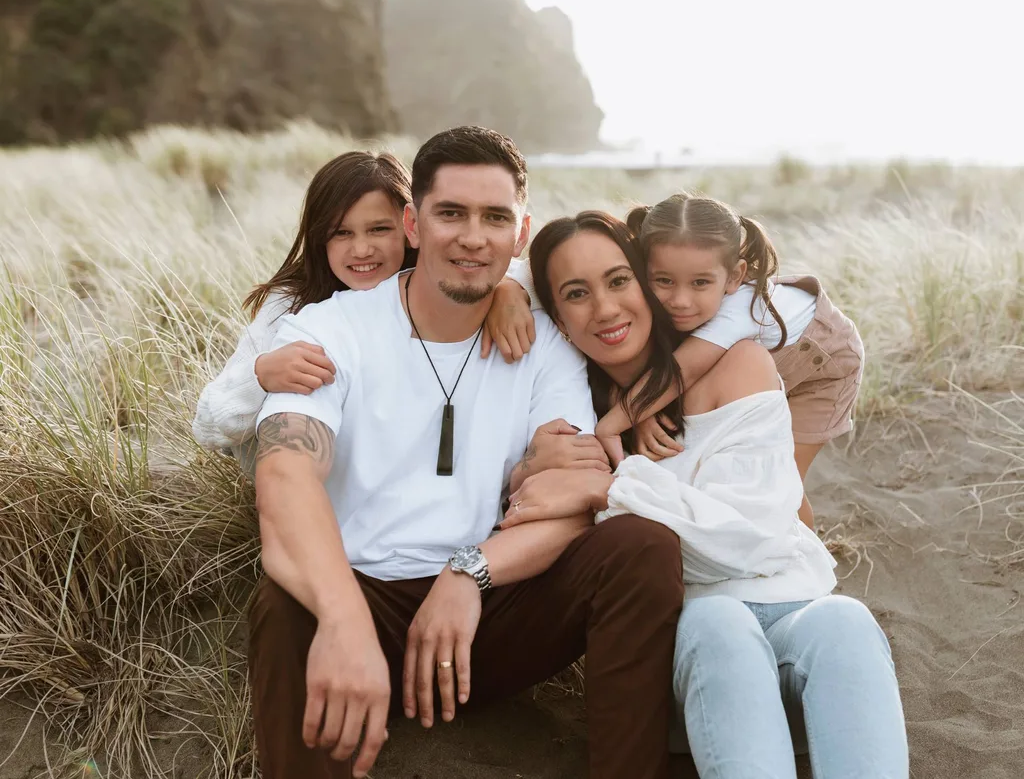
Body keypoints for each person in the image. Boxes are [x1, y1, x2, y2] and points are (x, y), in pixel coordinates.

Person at [247, 128, 684, 779]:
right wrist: (342, 617)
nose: (473, 236)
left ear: (521, 231)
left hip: (491, 614)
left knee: (642, 546)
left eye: (495, 217)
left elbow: (568, 496)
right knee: (282, 608)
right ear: (413, 222)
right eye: (451, 213)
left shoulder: (544, 349)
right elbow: (284, 475)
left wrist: (469, 572)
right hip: (363, 597)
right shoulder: (332, 329)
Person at [502, 210, 908, 779]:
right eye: (576, 294)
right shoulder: (571, 414)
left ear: (646, 281)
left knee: (845, 619)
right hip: (693, 653)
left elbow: (753, 536)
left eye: (621, 281)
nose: (607, 308)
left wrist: (610, 488)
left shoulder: (739, 362)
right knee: (718, 620)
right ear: (558, 318)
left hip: (793, 626)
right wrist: (505, 291)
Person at [191, 149, 539, 477]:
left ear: (411, 228)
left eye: (378, 229)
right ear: (319, 239)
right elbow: (207, 424)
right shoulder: (291, 305)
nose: (361, 249)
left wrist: (510, 288)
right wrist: (261, 374)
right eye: (341, 233)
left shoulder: (444, 281)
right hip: (314, 488)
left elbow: (541, 274)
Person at [594, 193, 864, 528]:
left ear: (735, 276)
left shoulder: (735, 313)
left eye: (700, 283)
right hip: (764, 361)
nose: (680, 300)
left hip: (824, 367)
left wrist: (612, 424)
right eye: (663, 280)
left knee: (782, 478)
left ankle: (803, 562)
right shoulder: (682, 293)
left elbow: (682, 371)